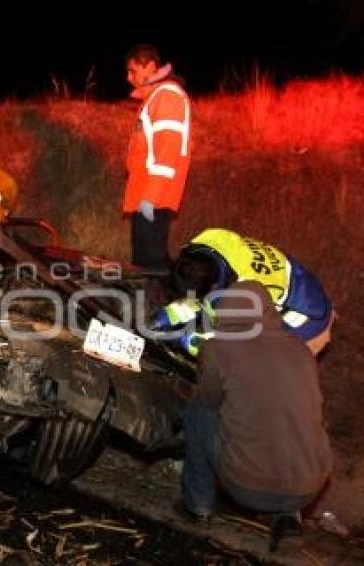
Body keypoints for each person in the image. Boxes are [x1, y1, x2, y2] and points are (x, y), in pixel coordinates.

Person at [180, 280, 333, 551]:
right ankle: (287, 519)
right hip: (309, 486)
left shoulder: (217, 349)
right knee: (291, 416)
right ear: (269, 311)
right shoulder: (300, 349)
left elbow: (207, 401)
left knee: (198, 414)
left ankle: (198, 507)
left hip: (249, 486)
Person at [153, 227, 335, 356]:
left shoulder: (245, 293)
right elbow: (197, 294)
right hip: (293, 279)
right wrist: (167, 316)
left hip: (308, 320)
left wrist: (197, 342)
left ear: (214, 287)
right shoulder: (207, 239)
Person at [124, 44, 192, 271]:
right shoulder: (154, 99)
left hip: (154, 198)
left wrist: (150, 197)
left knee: (152, 267)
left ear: (150, 66)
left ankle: (180, 301)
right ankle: (169, 301)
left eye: (133, 71)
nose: (128, 77)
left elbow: (168, 150)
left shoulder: (167, 96)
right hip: (146, 196)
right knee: (146, 265)